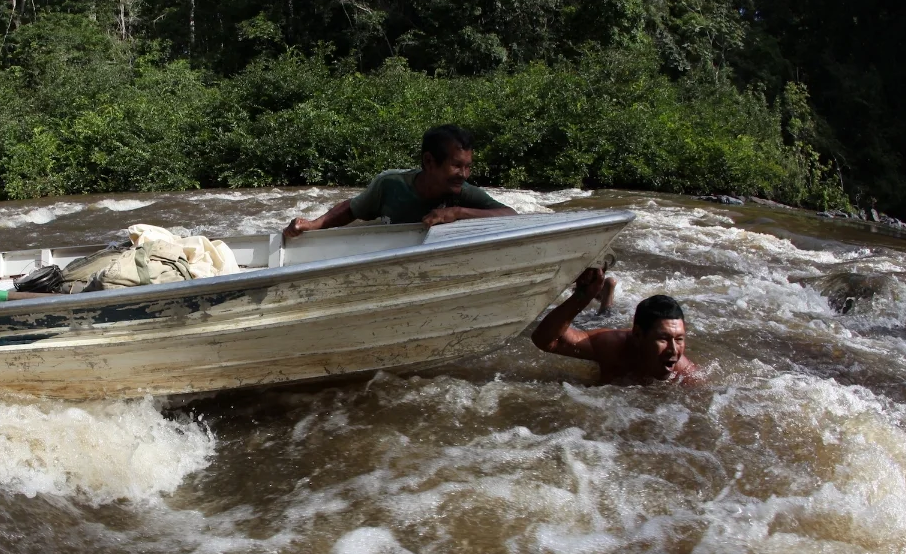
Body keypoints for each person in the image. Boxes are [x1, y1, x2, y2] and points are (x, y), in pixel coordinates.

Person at [283, 124, 515, 239]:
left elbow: (511, 216)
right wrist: (313, 225)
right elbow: (352, 209)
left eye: (468, 167)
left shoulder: (461, 193)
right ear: (429, 161)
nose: (463, 174)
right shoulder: (389, 183)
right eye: (456, 165)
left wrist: (458, 212)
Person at [531, 267, 697, 383]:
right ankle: (604, 293)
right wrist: (583, 296)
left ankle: (608, 292)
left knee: (606, 314)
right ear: (638, 335)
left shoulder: (683, 373)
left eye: (679, 339)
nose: (674, 350)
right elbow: (545, 340)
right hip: (617, 330)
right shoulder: (611, 345)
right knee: (603, 317)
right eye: (663, 338)